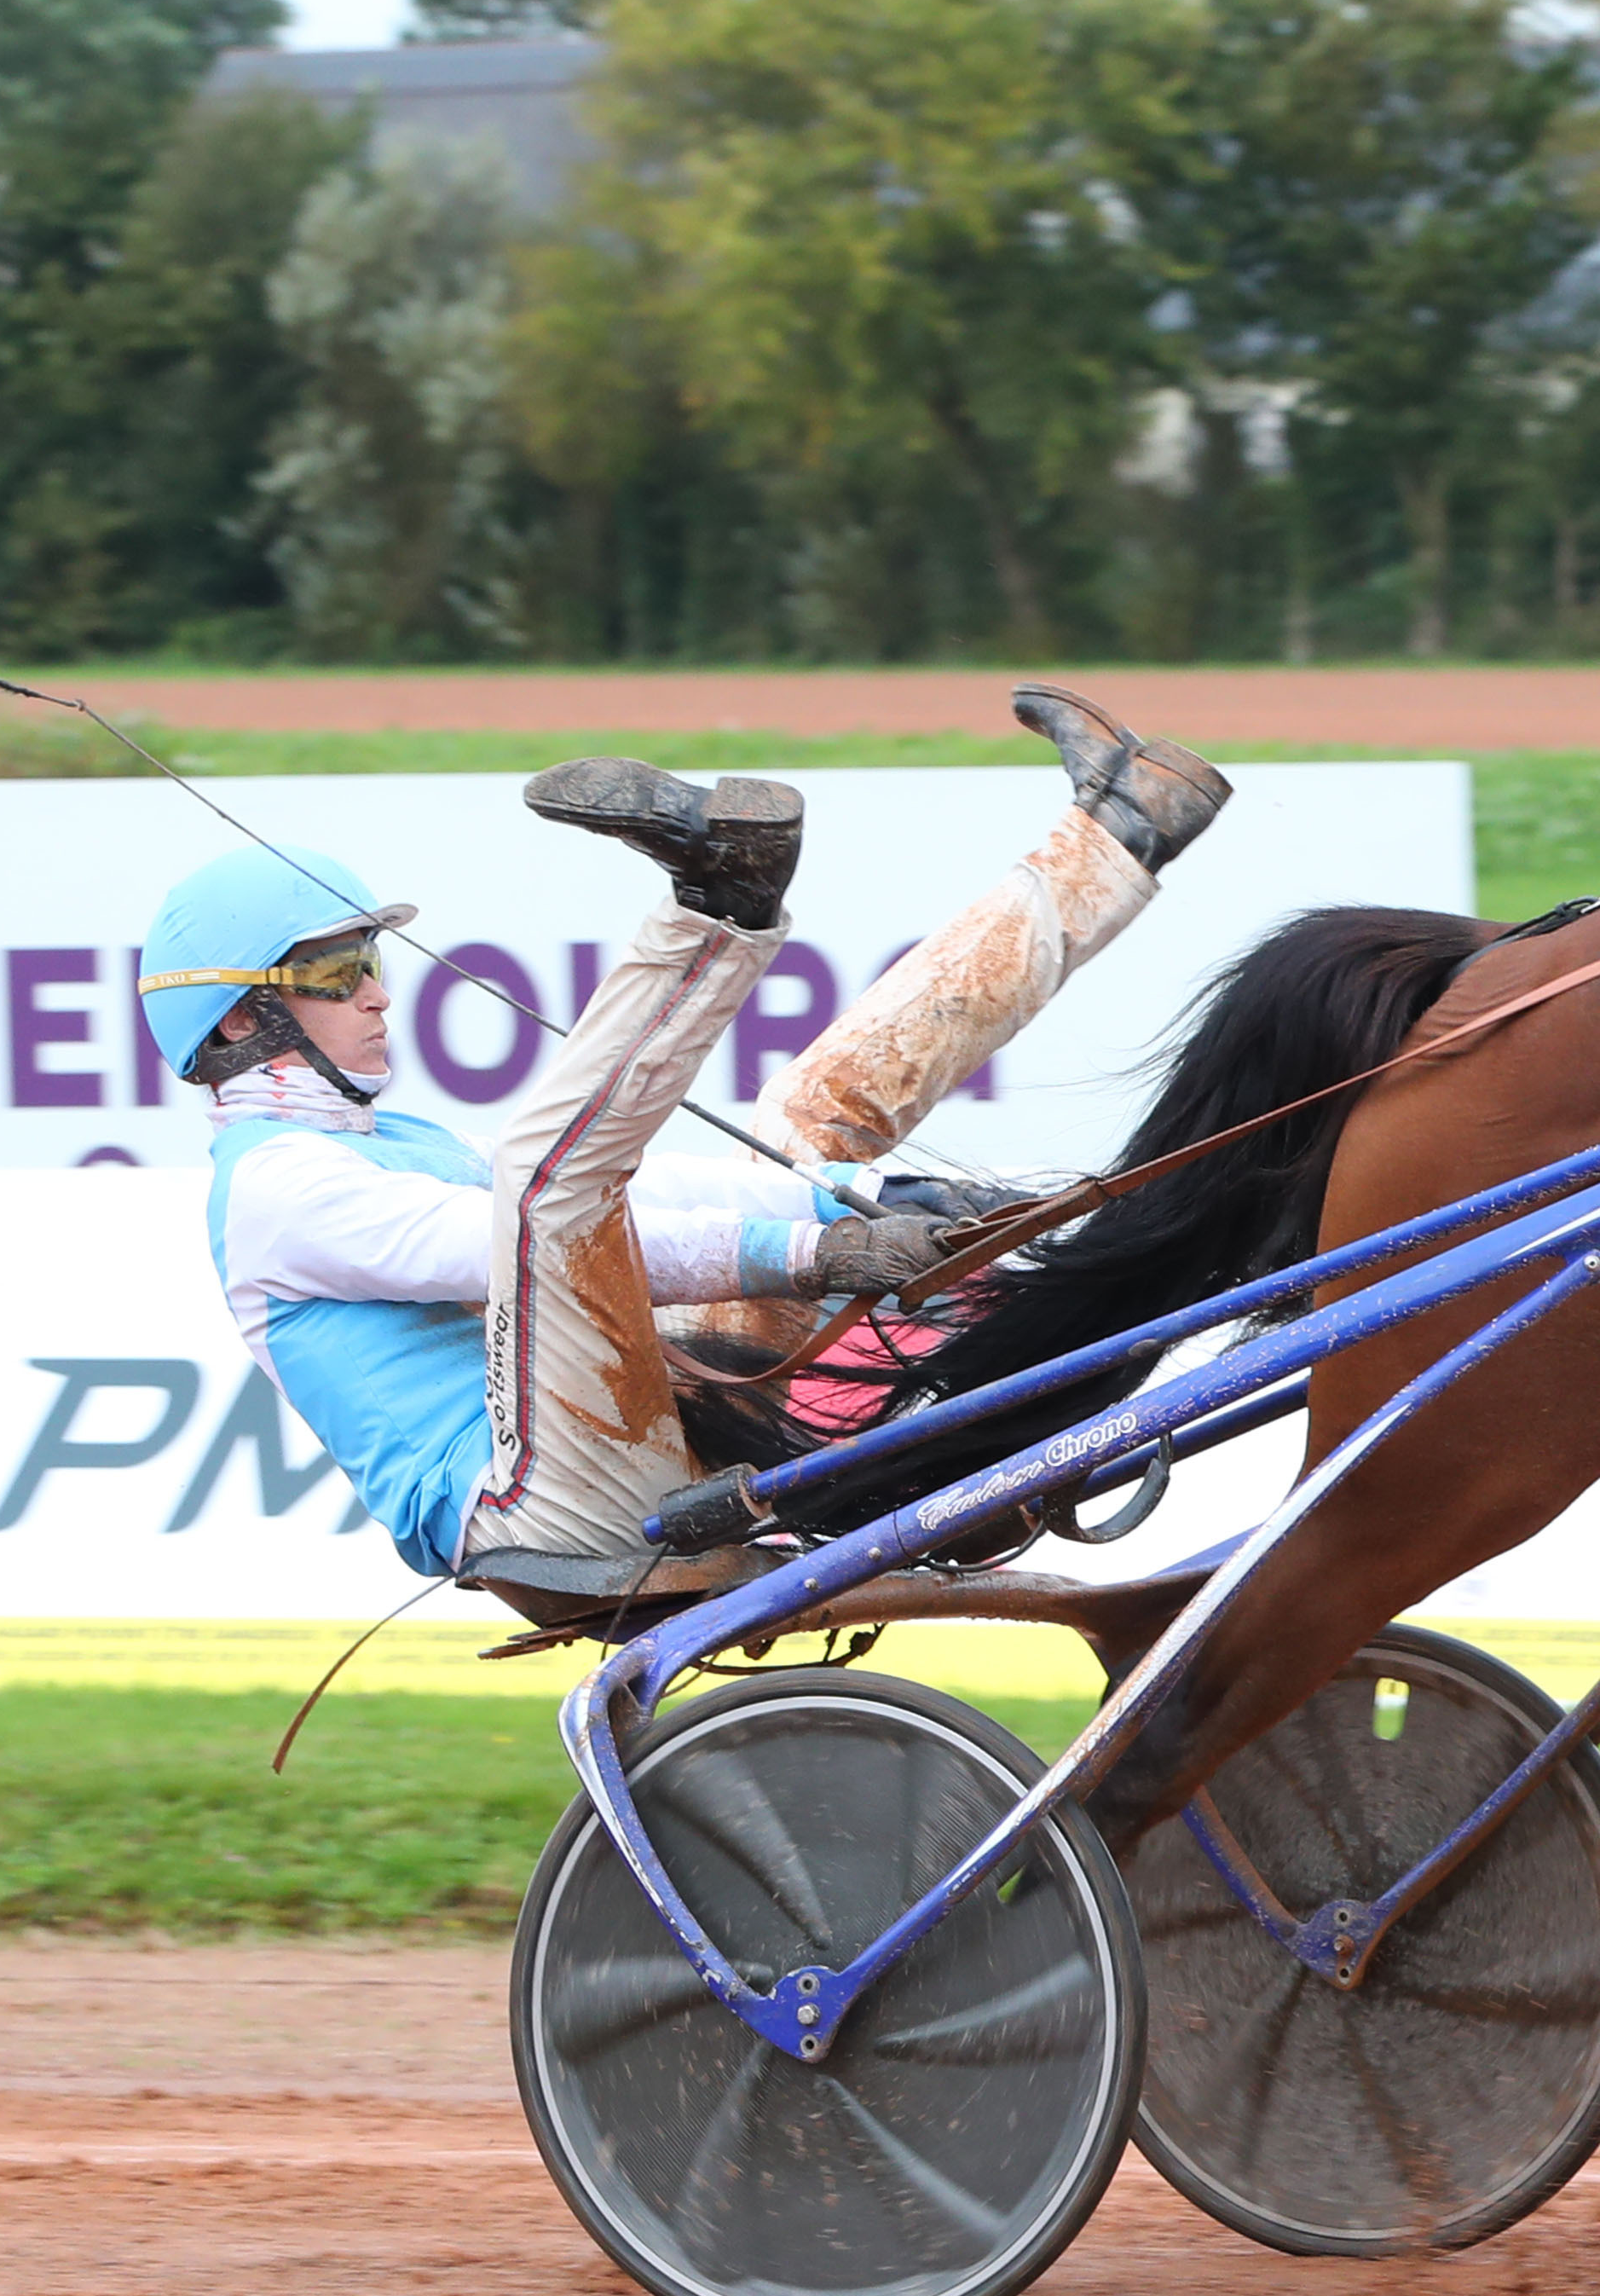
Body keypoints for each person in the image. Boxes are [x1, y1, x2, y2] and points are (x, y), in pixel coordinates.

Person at [136, 687, 1230, 1607]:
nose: (377, 994)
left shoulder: (398, 1141)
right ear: (239, 1020)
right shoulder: (274, 1190)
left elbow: (640, 1189)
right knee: (544, 1195)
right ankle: (713, 904)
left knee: (806, 1110)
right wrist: (809, 1261)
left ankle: (1115, 838)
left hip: (636, 1432)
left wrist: (848, 1198)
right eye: (336, 974)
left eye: (372, 959)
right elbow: (521, 1251)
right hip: (539, 1506)